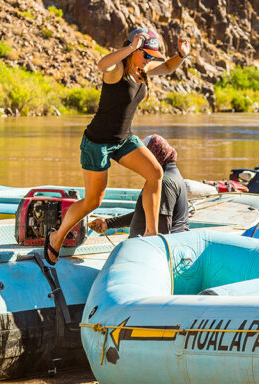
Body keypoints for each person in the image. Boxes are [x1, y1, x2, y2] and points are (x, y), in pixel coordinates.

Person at [44, 27, 190, 264]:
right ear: (134, 49)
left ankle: (152, 235)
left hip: (122, 140)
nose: (150, 59)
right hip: (97, 143)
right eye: (146, 54)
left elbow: (167, 67)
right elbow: (102, 64)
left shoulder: (143, 69)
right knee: (93, 201)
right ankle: (57, 236)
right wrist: (130, 48)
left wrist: (181, 55)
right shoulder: (117, 70)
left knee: (155, 173)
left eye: (152, 56)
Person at [89, 135, 188, 236]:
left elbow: (162, 227)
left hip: (148, 248)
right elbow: (147, 214)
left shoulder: (163, 182)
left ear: (153, 156)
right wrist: (108, 224)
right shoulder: (172, 174)